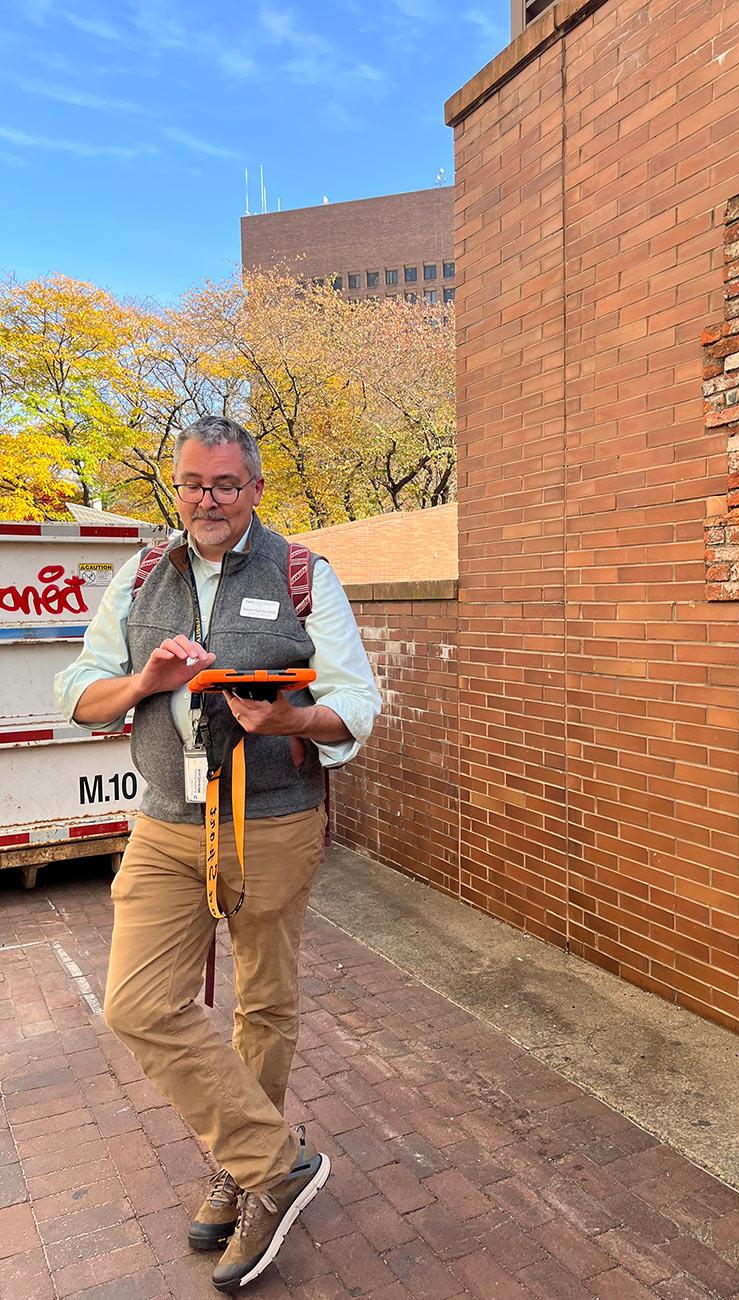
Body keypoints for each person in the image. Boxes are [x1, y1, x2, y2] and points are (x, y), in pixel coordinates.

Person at [55, 416, 381, 1292]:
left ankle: (240, 1174)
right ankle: (274, 1164)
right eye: (195, 483)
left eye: (227, 485)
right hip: (165, 822)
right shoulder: (139, 575)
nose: (208, 500)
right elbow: (80, 696)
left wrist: (291, 720)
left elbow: (355, 701)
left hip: (272, 821)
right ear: (178, 484)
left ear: (256, 490)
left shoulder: (304, 574)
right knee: (137, 1004)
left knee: (263, 1004)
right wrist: (144, 683)